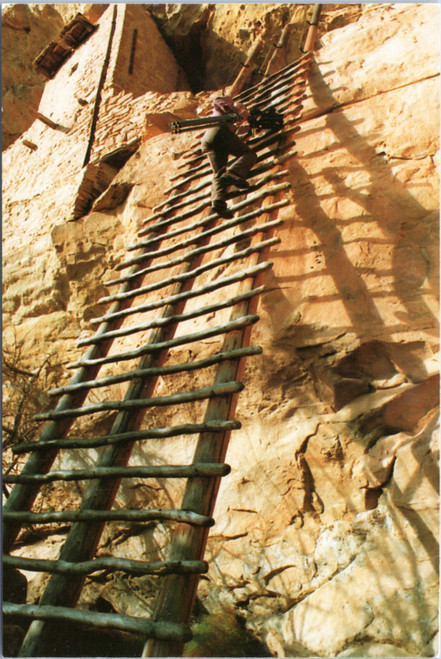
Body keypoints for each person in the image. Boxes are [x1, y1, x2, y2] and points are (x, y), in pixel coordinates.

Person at [201, 95, 258, 219]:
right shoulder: (229, 107)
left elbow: (238, 131)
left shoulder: (225, 117)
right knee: (249, 154)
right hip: (219, 132)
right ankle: (233, 174)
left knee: (218, 173)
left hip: (208, 140)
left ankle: (218, 203)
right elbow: (224, 106)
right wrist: (240, 111)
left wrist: (244, 120)